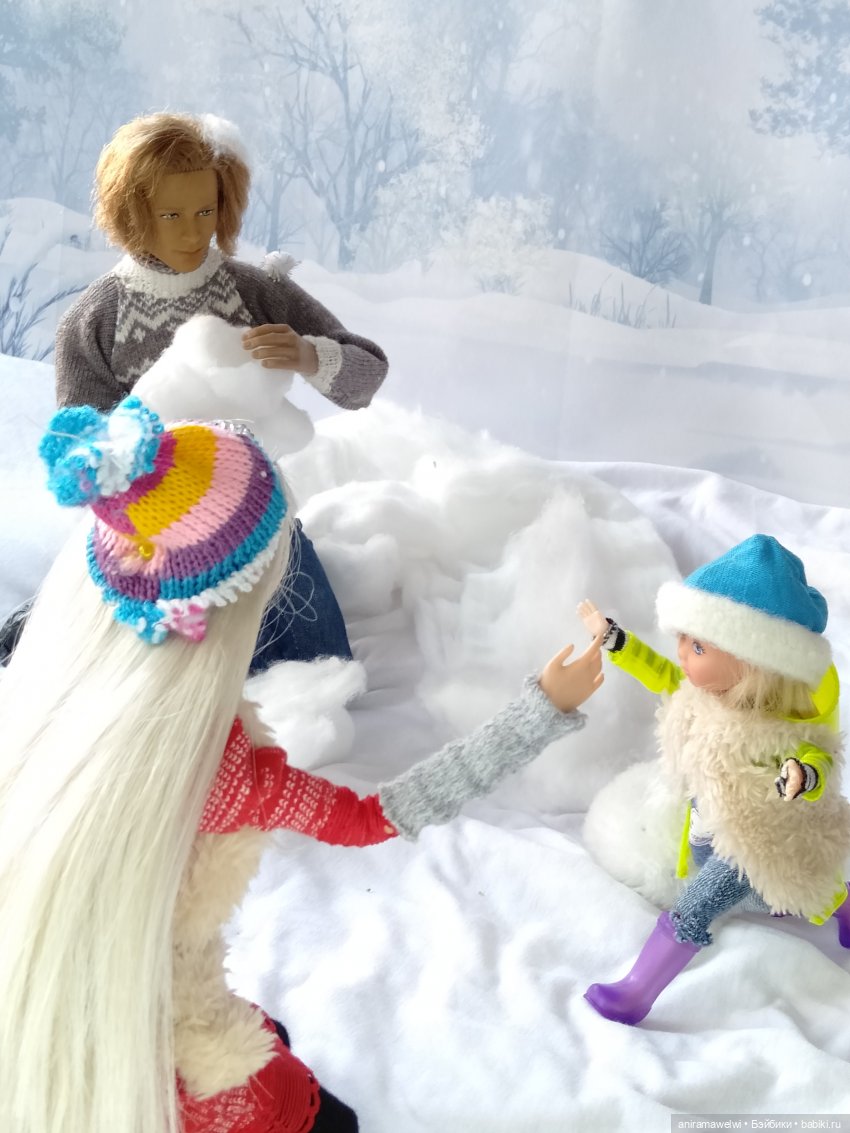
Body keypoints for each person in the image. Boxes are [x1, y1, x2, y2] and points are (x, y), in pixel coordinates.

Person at [0, 393, 604, 1133]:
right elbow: (381, 814)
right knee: (313, 1112)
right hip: (171, 1051)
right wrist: (537, 713)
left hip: (67, 1023)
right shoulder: (225, 775)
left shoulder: (37, 701)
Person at [0, 110, 389, 672]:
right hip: (151, 531)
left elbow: (367, 375)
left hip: (258, 514)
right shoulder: (95, 319)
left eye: (206, 211)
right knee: (65, 653)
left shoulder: (255, 291)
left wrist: (308, 355)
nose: (191, 232)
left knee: (319, 662)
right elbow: (80, 455)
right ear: (132, 213)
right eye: (171, 215)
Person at [577, 535, 850, 1026]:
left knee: (694, 910)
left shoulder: (779, 728)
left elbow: (819, 758)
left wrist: (802, 774)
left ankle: (636, 993)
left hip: (751, 842)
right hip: (709, 836)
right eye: (684, 638)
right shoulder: (701, 697)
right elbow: (663, 675)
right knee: (794, 894)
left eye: (699, 646)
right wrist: (616, 640)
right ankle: (844, 905)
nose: (682, 653)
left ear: (753, 666)